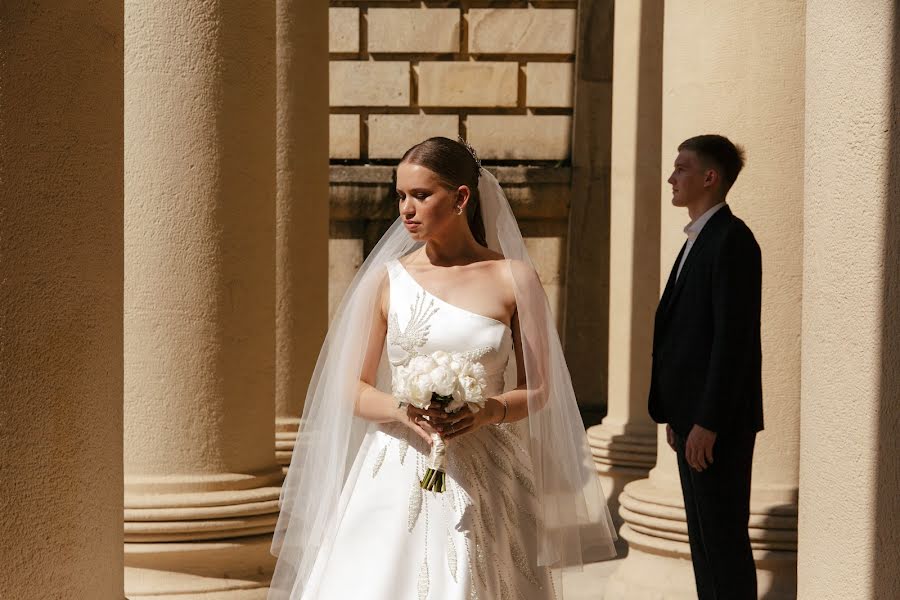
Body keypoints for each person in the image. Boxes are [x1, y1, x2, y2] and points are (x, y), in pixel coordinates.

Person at [269, 137, 616, 600]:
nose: (406, 210)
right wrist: (402, 410)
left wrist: (487, 411)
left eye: (421, 195)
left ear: (461, 198)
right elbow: (352, 387)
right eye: (401, 196)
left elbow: (538, 389)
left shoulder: (514, 278)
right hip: (394, 467)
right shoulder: (387, 279)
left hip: (487, 470)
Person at [648, 134, 763, 599]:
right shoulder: (700, 238)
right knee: (705, 544)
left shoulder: (731, 240)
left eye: (682, 168)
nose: (672, 178)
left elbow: (732, 343)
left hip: (718, 426)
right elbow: (687, 336)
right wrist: (680, 414)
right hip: (692, 419)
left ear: (710, 178)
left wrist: (708, 421)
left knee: (723, 543)